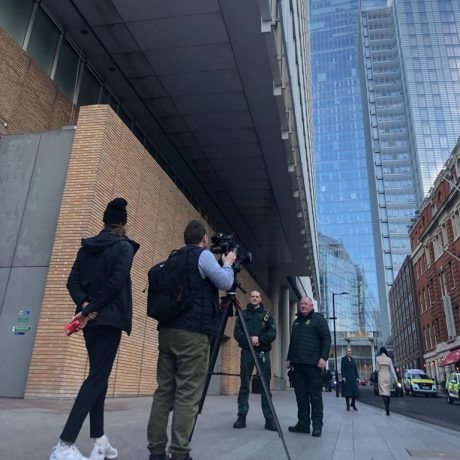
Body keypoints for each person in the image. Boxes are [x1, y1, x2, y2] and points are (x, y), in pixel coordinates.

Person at [50, 198, 139, 460]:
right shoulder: (123, 247)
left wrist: (86, 305)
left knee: (99, 377)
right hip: (108, 319)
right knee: (96, 378)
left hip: (92, 322)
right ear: (122, 223)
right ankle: (64, 444)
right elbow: (115, 283)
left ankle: (99, 439)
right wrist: (91, 308)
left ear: (104, 221)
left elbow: (72, 283)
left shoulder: (87, 247)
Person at [147, 220, 236, 460]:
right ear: (204, 239)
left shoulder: (173, 259)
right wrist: (227, 264)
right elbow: (225, 282)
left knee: (163, 391)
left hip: (167, 332)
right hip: (192, 334)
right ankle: (180, 452)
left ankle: (156, 451)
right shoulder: (203, 255)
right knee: (187, 393)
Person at [286, 296, 331, 437]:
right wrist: (289, 359)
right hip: (298, 366)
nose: (303, 306)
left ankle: (317, 426)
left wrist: (324, 358)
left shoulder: (319, 320)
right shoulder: (296, 322)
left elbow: (327, 339)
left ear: (311, 305)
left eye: (306, 304)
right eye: (301, 304)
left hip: (313, 365)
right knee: (301, 397)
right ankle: (303, 424)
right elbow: (293, 342)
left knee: (315, 397)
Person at [232, 290, 277, 431]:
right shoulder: (243, 314)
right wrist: (249, 341)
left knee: (265, 384)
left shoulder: (267, 316)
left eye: (257, 297)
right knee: (244, 383)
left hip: (262, 352)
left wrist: (260, 340)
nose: (255, 299)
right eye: (252, 297)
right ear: (250, 298)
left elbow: (272, 333)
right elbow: (237, 332)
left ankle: (269, 419)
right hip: (247, 352)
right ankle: (241, 416)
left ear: (260, 299)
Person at [376, 346, 397, 416]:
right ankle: (388, 406)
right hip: (388, 377)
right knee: (388, 393)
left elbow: (377, 369)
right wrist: (396, 379)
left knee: (383, 393)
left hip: (381, 377)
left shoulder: (377, 358)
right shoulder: (389, 359)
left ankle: (386, 408)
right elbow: (392, 370)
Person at [341, 346, 360, 411]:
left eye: (350, 351)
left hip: (353, 377)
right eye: (348, 351)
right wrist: (343, 377)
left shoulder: (353, 359)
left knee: (355, 392)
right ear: (346, 352)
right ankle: (347, 406)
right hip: (347, 377)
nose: (349, 352)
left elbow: (355, 369)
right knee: (348, 392)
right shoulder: (343, 359)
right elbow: (342, 368)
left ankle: (353, 404)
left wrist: (357, 377)